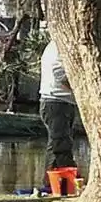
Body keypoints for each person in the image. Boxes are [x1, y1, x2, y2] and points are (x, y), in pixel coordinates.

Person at [39, 39, 76, 180]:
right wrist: (80, 86)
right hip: (56, 101)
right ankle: (61, 182)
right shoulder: (57, 45)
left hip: (62, 101)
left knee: (58, 143)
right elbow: (59, 72)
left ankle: (55, 182)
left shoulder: (61, 44)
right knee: (59, 144)